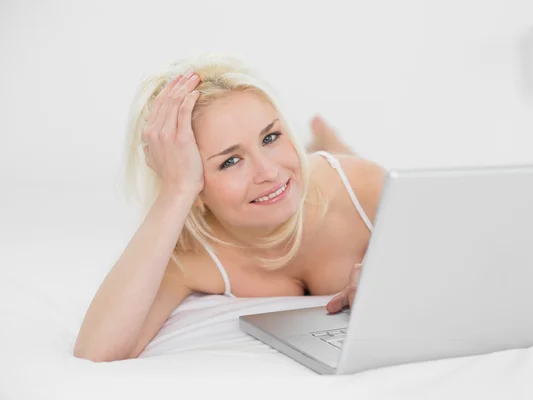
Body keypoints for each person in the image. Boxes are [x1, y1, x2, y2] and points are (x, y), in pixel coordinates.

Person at [73, 53, 386, 362]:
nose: (269, 172)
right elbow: (97, 351)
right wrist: (176, 190)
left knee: (334, 162)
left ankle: (329, 145)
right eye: (230, 161)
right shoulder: (192, 255)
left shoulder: (363, 186)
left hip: (334, 176)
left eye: (271, 137)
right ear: (194, 182)